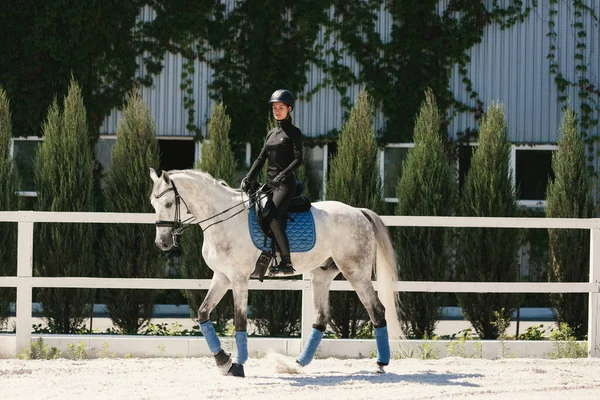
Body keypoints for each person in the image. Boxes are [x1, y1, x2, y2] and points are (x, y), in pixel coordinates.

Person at [242, 89, 303, 274]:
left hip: (285, 185)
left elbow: (298, 159)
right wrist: (249, 176)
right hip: (269, 184)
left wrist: (282, 176)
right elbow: (261, 159)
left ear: (289, 108)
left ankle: (286, 262)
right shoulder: (271, 133)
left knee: (271, 214)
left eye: (281, 107)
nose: (277, 111)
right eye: (275, 107)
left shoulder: (294, 132)